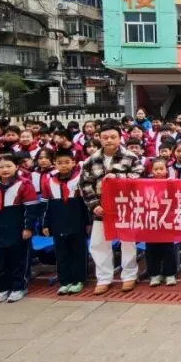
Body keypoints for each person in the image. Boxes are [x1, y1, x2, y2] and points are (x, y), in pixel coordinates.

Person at [79, 124, 144, 295]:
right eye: (105, 137)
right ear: (99, 138)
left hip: (125, 206)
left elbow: (139, 177)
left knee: (127, 242)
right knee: (98, 244)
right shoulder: (91, 160)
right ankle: (104, 278)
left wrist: (118, 177)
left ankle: (129, 275)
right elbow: (85, 184)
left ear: (120, 138)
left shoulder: (130, 157)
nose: (109, 140)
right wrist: (94, 205)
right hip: (101, 208)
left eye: (113, 137)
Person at [0, 154, 40, 303]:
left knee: (19, 259)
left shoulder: (24, 184)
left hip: (17, 227)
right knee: (1, 260)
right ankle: (3, 288)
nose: (5, 169)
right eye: (1, 167)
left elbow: (31, 209)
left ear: (17, 167)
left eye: (8, 166)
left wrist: (28, 227)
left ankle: (19, 287)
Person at [41, 149, 92, 295]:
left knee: (78, 251)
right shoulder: (49, 181)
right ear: (54, 164)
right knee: (61, 252)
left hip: (77, 220)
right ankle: (65, 281)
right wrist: (45, 224)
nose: (63, 165)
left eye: (67, 162)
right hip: (57, 221)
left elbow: (86, 203)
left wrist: (88, 223)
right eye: (60, 163)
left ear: (73, 163)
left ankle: (79, 280)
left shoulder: (80, 179)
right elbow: (45, 205)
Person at [141, 158, 178, 287]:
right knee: (151, 250)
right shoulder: (145, 184)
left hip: (167, 221)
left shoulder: (171, 183)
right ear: (151, 171)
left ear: (166, 170)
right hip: (151, 222)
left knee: (168, 249)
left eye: (161, 169)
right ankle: (154, 274)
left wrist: (173, 185)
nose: (158, 171)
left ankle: (170, 274)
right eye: (156, 169)